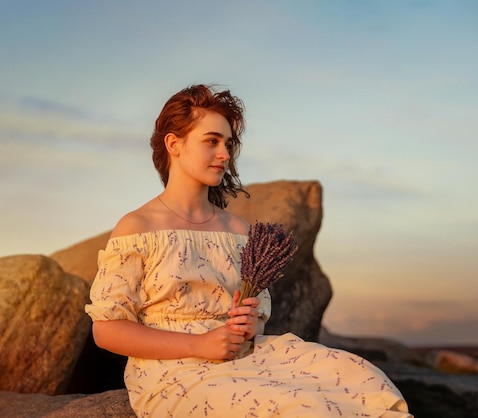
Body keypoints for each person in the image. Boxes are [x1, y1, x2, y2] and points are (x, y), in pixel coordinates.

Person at [85, 84, 412, 417]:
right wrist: (198, 344)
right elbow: (106, 329)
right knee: (300, 408)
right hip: (175, 372)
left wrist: (249, 323)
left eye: (228, 143)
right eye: (211, 141)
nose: (225, 154)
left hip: (246, 358)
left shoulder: (238, 230)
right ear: (174, 144)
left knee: (363, 379)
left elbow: (255, 322)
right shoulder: (138, 227)